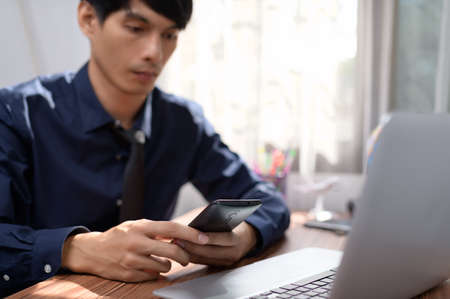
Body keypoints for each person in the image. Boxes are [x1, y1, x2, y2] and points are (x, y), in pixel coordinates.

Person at [0, 0, 290, 296]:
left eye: (170, 35)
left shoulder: (182, 122)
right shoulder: (14, 113)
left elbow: (267, 199)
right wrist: (74, 249)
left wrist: (246, 235)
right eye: (136, 28)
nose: (155, 53)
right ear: (88, 19)